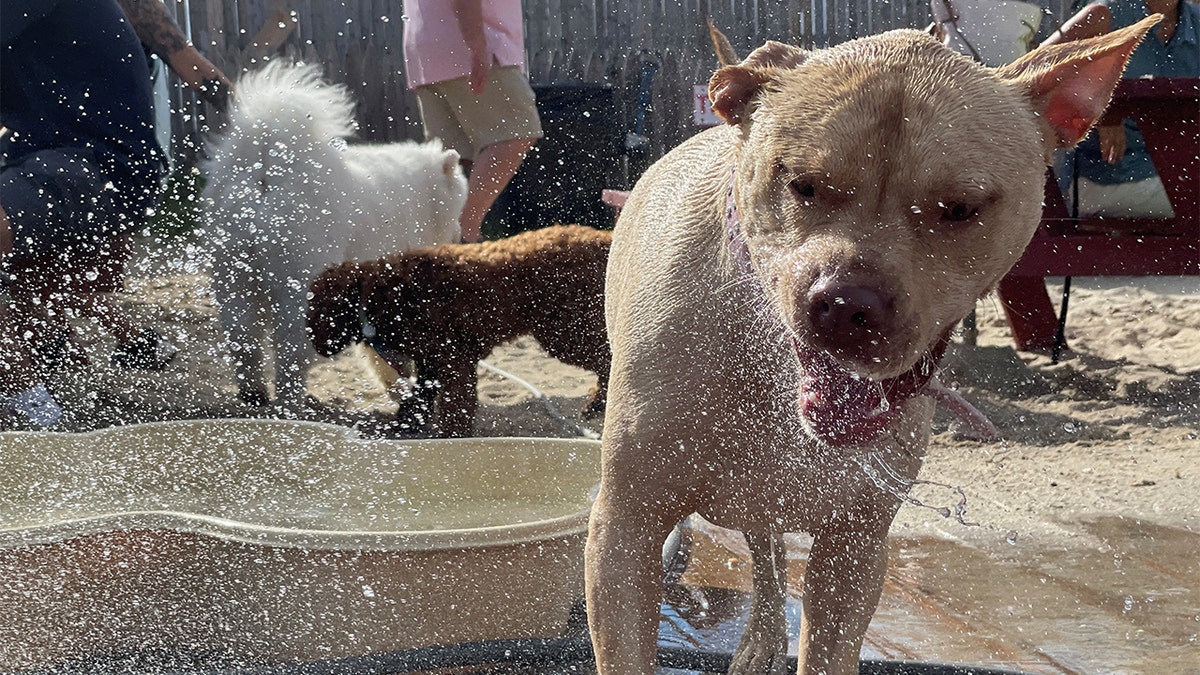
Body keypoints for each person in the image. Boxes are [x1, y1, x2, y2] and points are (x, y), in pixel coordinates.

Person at [1, 0, 229, 428]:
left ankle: (32, 408)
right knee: (37, 281)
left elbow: (189, 63)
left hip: (100, 168)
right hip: (53, 163)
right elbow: (192, 65)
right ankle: (70, 343)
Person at [401, 0, 543, 243]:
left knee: (451, 160)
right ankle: (461, 237)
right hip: (469, 42)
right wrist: (477, 45)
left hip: (427, 46)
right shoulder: (475, 43)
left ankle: (435, 248)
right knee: (516, 134)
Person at [1042, 0, 1199, 218]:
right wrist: (1103, 111)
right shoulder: (1103, 16)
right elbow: (1037, 74)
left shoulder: (1195, 22)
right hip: (1107, 180)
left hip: (1181, 176)